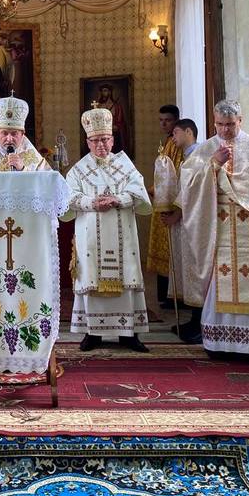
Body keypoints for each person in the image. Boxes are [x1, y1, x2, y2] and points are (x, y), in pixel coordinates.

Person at [175, 100, 249, 362]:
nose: (225, 130)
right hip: (218, 226)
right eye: (220, 124)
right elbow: (188, 187)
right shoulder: (206, 149)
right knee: (219, 281)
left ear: (240, 121)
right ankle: (220, 343)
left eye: (230, 124)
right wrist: (213, 164)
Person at [65, 107, 153, 352]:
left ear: (112, 140)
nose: (100, 145)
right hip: (90, 238)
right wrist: (91, 203)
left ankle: (129, 334)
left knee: (126, 278)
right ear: (87, 142)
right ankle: (92, 334)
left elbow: (139, 193)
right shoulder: (78, 170)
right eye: (95, 140)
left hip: (123, 235)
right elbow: (67, 198)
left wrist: (118, 199)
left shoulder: (125, 165)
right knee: (91, 279)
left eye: (104, 139)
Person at [156, 118, 200, 339]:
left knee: (196, 271)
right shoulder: (188, 157)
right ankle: (193, 320)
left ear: (188, 132)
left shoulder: (198, 157)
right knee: (189, 271)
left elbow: (191, 191)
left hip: (194, 224)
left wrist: (176, 214)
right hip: (187, 222)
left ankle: (199, 324)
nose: (172, 138)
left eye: (175, 133)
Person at [147, 104, 182, 311]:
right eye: (161, 120)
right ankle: (165, 295)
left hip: (170, 204)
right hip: (162, 200)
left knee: (171, 248)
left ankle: (173, 296)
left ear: (176, 120)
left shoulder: (177, 144)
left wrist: (154, 190)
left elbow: (174, 173)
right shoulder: (169, 142)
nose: (163, 124)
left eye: (167, 120)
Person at [0, 96, 51, 172]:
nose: (9, 139)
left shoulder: (33, 156)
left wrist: (23, 169)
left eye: (14, 134)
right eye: (4, 133)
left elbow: (46, 179)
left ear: (22, 134)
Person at [95, 83, 130, 154]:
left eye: (105, 90)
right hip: (102, 135)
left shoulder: (117, 106)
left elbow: (121, 121)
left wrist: (117, 126)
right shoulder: (98, 106)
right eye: (102, 91)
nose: (103, 93)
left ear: (110, 92)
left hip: (114, 134)